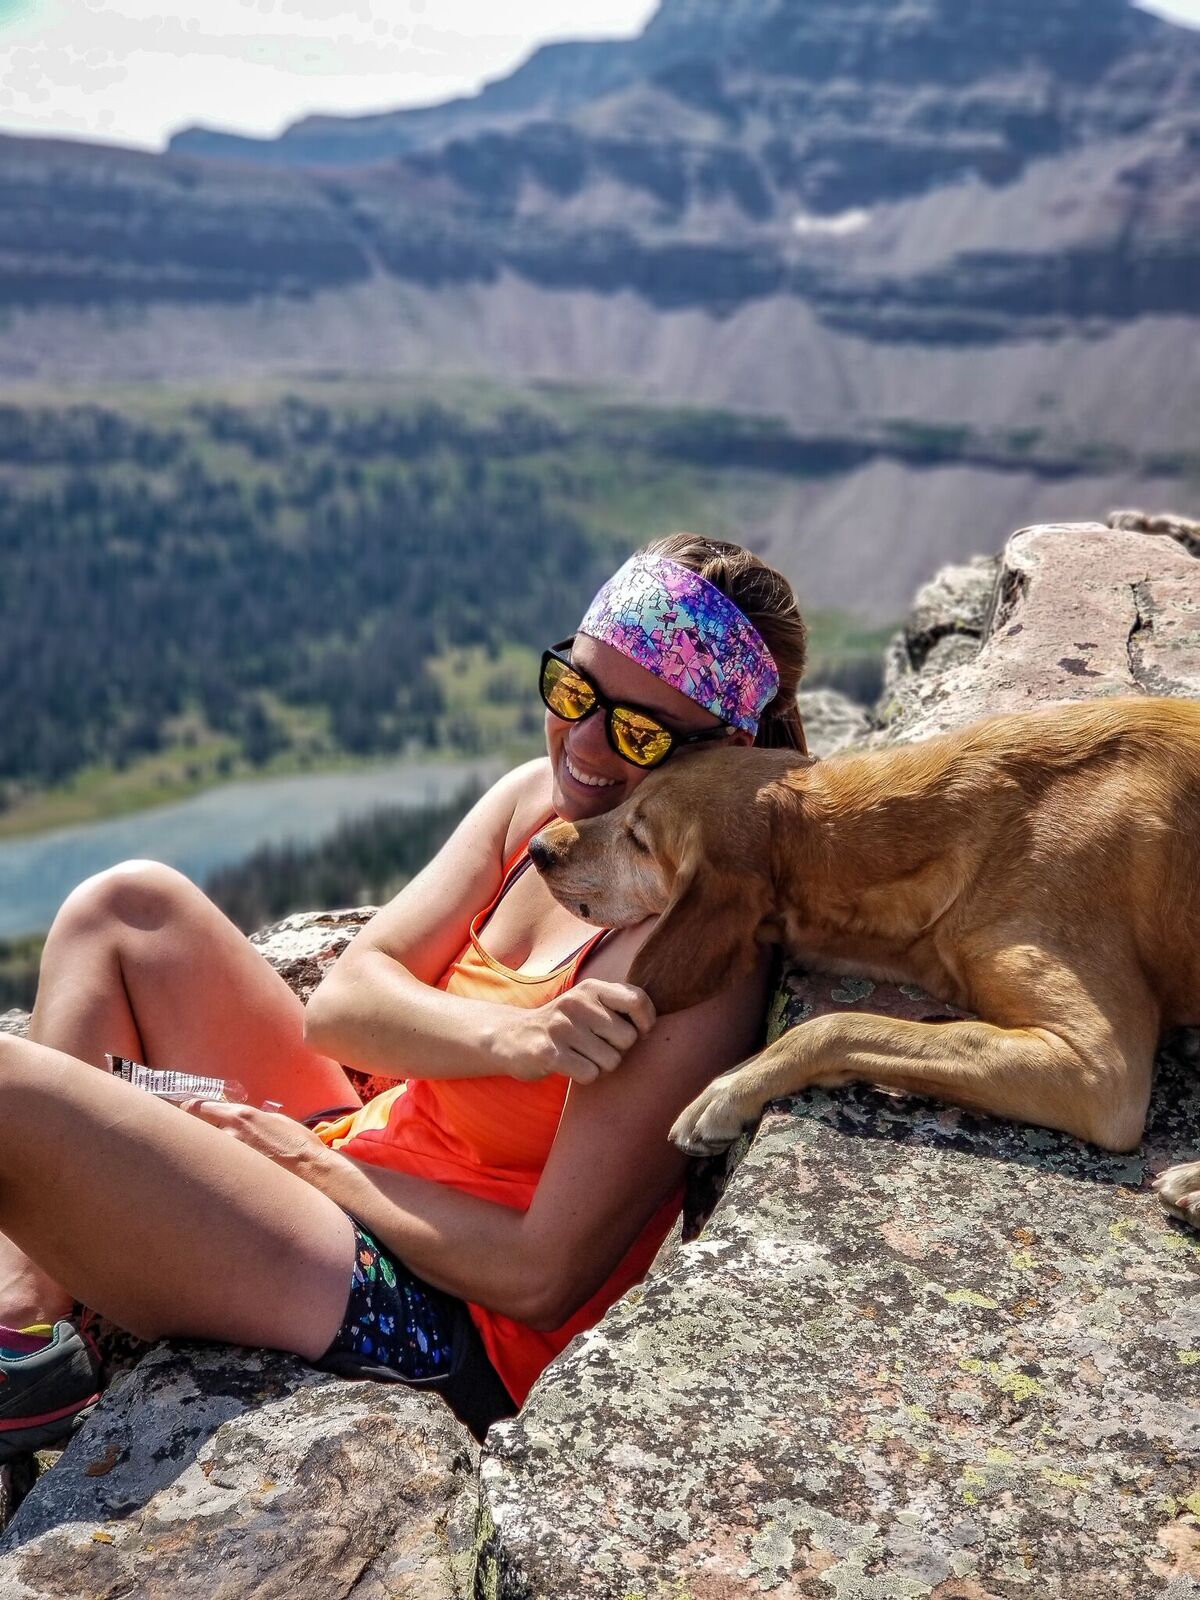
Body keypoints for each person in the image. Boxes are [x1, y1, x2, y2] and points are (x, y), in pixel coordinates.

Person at [0, 533, 808, 1451]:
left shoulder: (698, 956)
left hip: (442, 1315)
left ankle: (30, 1355)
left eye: (638, 730)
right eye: (574, 690)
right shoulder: (534, 809)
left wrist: (315, 1169)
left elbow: (543, 1276)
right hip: (357, 1169)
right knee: (126, 910)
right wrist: (518, 1039)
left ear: (728, 748)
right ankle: (28, 1321)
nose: (582, 743)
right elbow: (343, 1009)